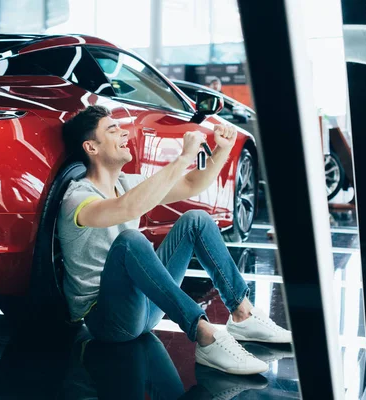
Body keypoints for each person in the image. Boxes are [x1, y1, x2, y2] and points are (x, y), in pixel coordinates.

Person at [57, 105, 291, 376]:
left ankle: (243, 314)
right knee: (130, 241)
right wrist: (182, 157)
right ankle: (205, 336)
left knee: (196, 219)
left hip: (147, 307)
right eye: (112, 130)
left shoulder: (126, 183)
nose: (123, 133)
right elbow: (126, 209)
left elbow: (191, 184)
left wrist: (221, 150)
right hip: (110, 321)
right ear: (91, 148)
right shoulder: (77, 197)